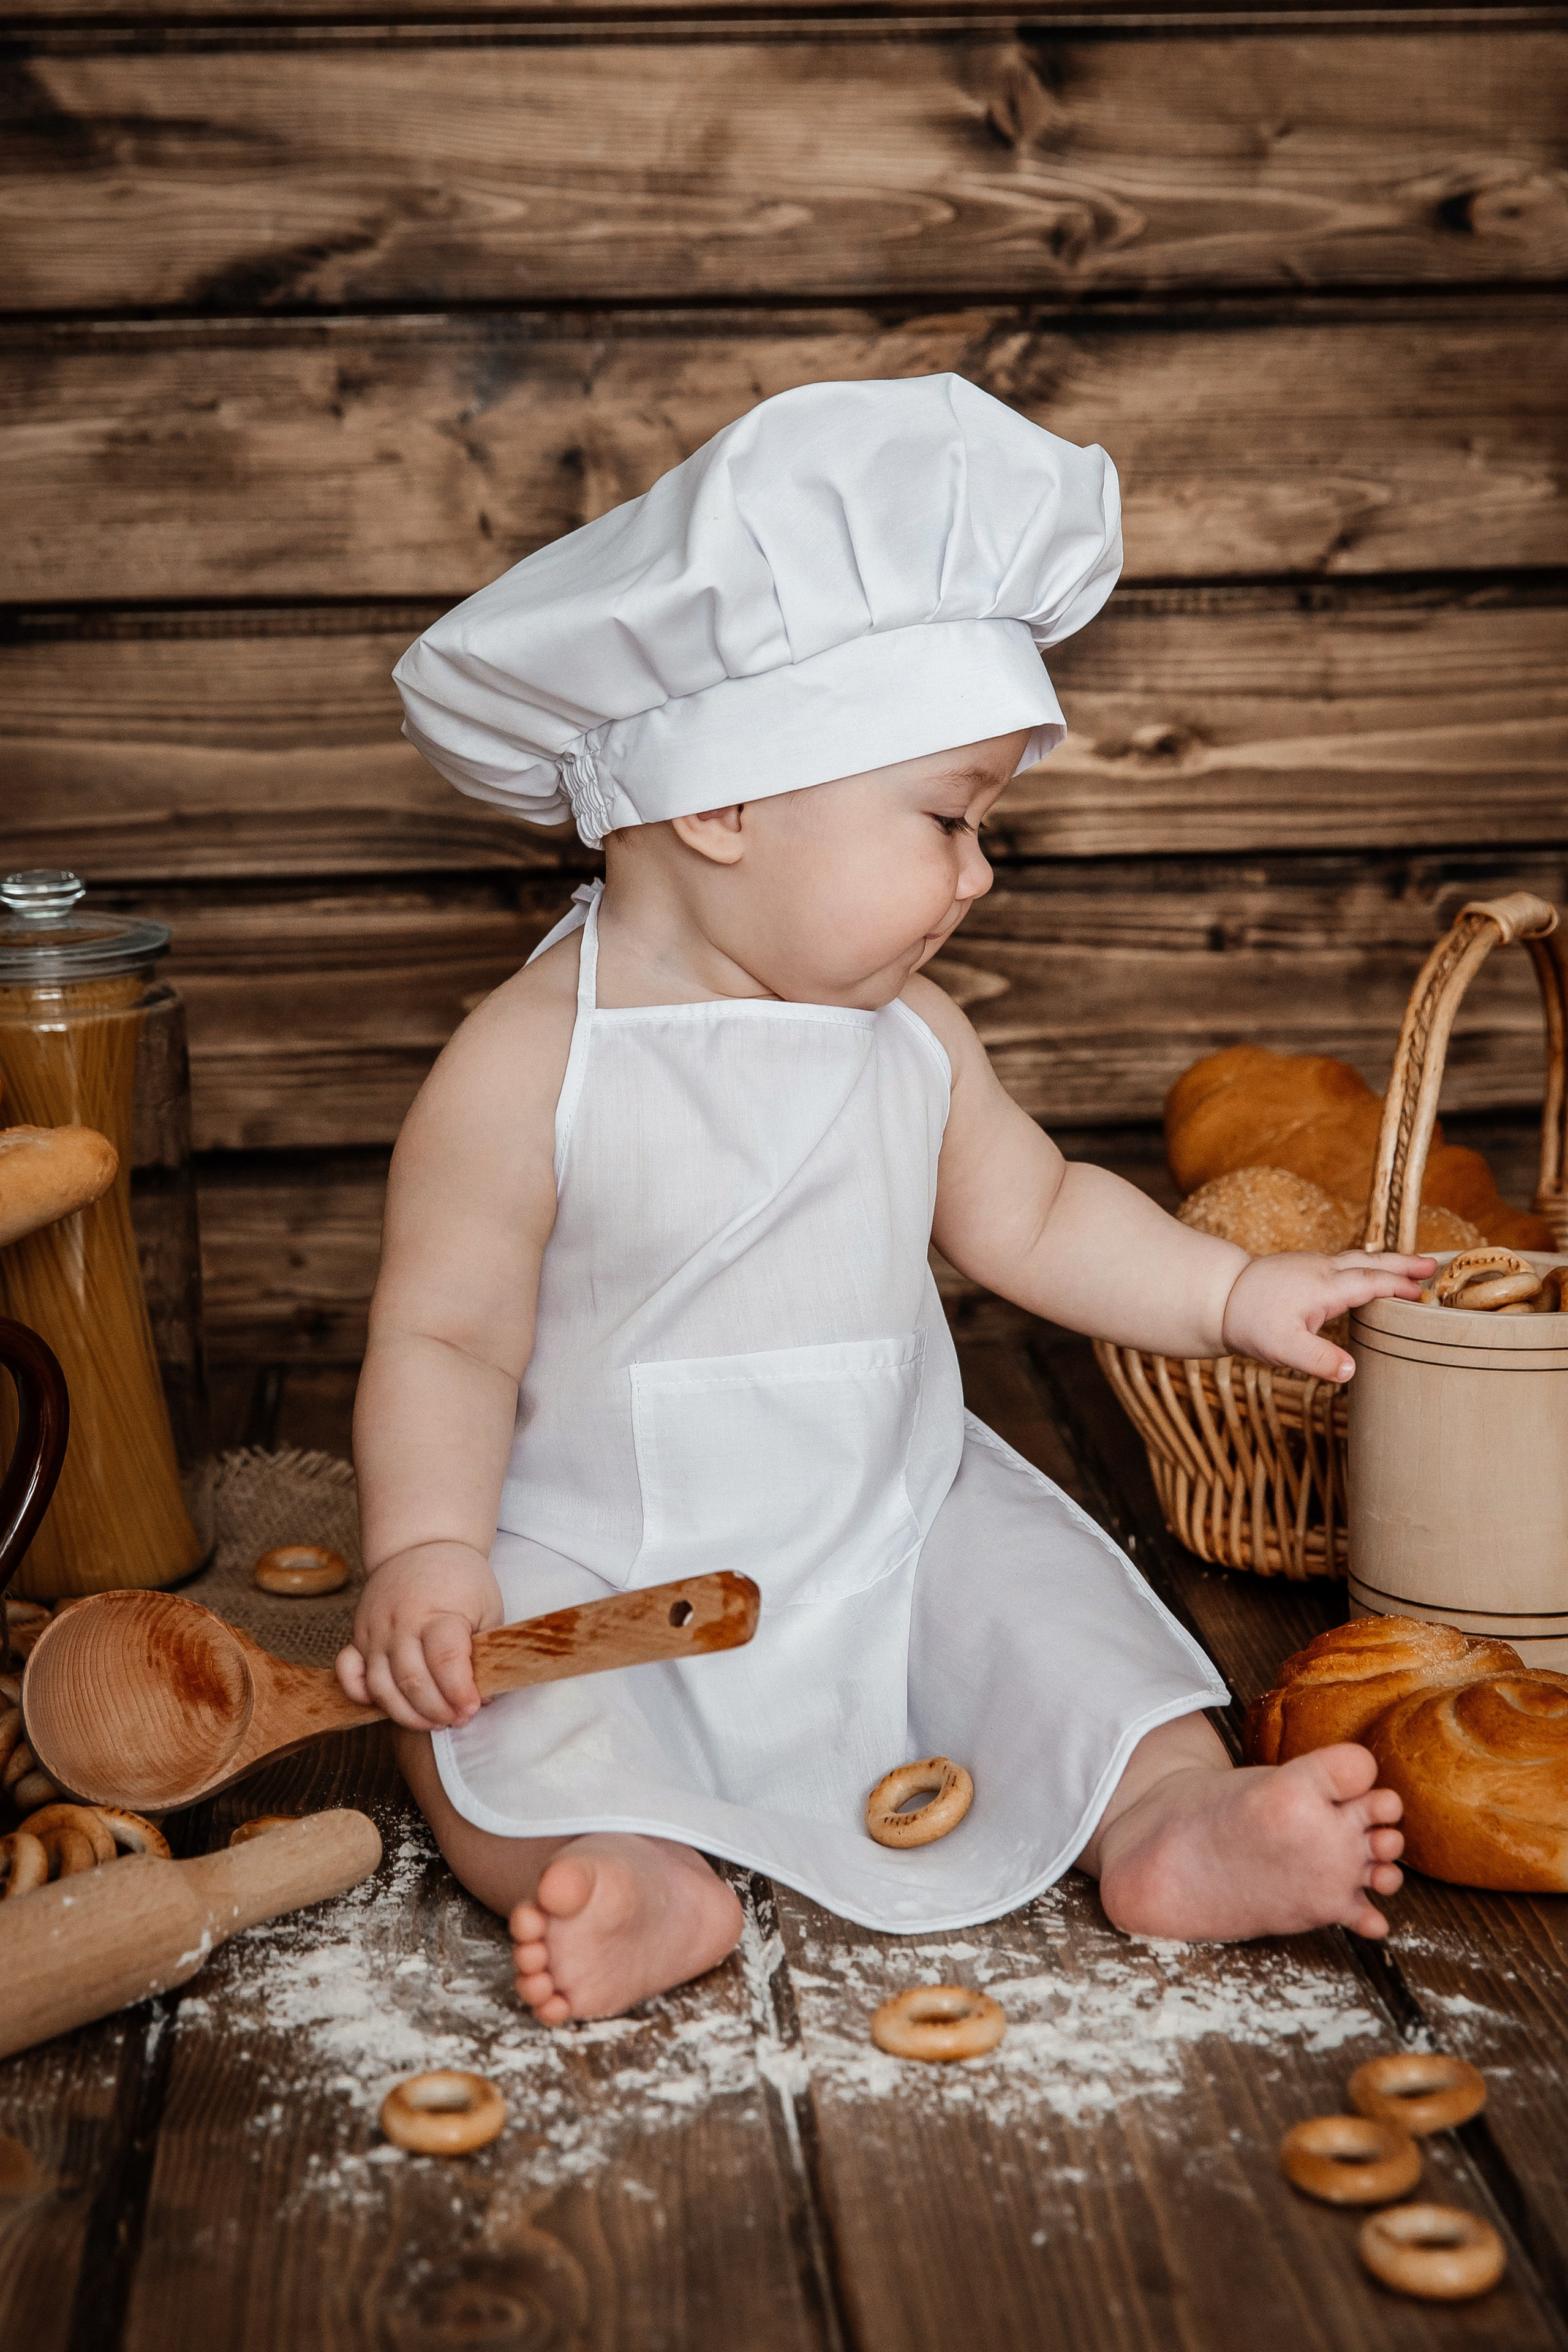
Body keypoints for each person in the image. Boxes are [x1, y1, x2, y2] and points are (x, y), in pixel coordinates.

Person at [339, 377, 1421, 2026]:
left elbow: (1044, 1218)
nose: (980, 873)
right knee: (479, 1711)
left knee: (1064, 1629)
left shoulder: (911, 1043)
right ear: (720, 804)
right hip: (605, 1555)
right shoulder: (523, 1066)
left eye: (982, 826)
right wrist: (426, 1547)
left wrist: (1226, 1296)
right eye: (946, 819)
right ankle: (628, 1873)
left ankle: (1164, 1819)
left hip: (884, 1521)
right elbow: (446, 1329)